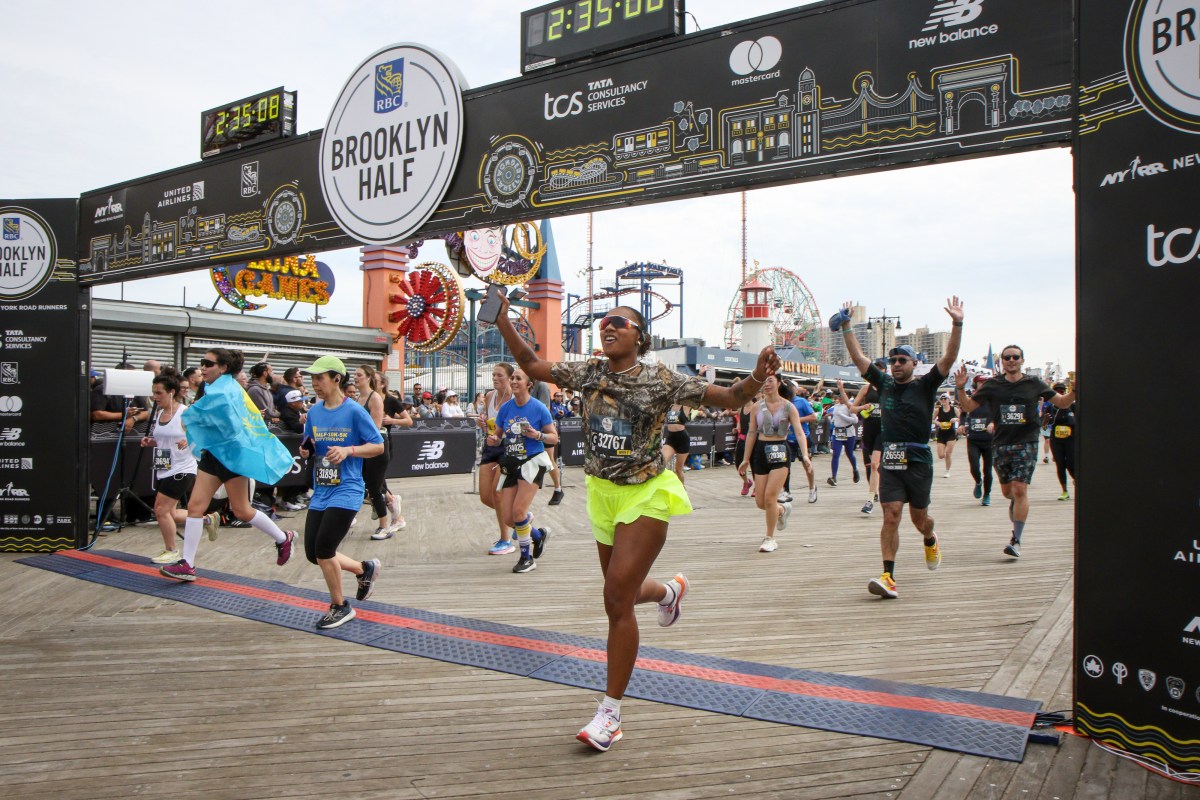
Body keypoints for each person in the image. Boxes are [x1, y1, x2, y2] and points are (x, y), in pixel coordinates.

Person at [493, 296, 781, 752]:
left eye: (618, 324)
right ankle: (668, 592)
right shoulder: (588, 373)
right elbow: (530, 361)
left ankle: (610, 713)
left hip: (647, 493)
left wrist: (757, 377)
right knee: (621, 589)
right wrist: (502, 320)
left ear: (639, 337)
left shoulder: (660, 378)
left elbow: (727, 397)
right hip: (602, 495)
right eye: (604, 323)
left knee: (613, 600)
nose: (607, 328)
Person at [838, 297, 963, 600]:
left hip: (919, 459)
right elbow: (859, 360)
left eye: (901, 360)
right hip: (891, 460)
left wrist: (957, 324)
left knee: (920, 520)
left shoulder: (926, 385)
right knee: (891, 515)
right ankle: (888, 576)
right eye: (892, 360)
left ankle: (931, 539)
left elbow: (947, 359)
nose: (895, 365)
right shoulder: (884, 385)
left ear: (913, 364)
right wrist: (845, 327)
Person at [159, 348, 297, 581]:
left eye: (208, 363)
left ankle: (284, 538)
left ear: (223, 368)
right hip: (214, 454)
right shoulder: (213, 388)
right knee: (195, 507)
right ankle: (188, 564)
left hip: (233, 457)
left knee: (242, 510)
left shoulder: (228, 391)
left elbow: (228, 423)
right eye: (202, 362)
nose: (202, 367)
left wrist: (194, 418)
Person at [955, 350, 1077, 557]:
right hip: (1001, 443)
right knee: (1007, 492)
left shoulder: (1034, 383)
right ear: (1002, 362)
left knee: (1020, 489)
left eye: (1015, 357)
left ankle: (1016, 540)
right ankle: (1014, 502)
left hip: (1027, 441)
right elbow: (968, 406)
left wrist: (1074, 390)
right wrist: (960, 387)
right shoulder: (993, 385)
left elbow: (1063, 402)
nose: (1011, 360)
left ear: (1022, 361)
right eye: (1007, 357)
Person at [297, 356, 385, 629]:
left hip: (347, 488)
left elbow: (378, 446)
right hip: (322, 488)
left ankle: (340, 606)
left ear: (337, 379)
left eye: (320, 378)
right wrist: (306, 449)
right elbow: (310, 442)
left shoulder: (355, 411)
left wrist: (349, 450)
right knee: (314, 553)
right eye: (312, 379)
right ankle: (363, 569)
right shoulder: (314, 412)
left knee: (325, 549)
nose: (315, 384)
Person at [138, 369, 216, 564]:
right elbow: (165, 440)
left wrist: (190, 441)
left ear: (171, 392)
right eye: (153, 393)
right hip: (164, 466)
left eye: (159, 393)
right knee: (170, 513)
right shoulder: (160, 414)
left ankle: (171, 550)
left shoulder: (185, 413)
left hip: (183, 469)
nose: (154, 397)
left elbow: (205, 435)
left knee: (160, 509)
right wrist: (151, 442)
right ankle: (206, 520)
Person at [488, 368, 556, 573]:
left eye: (519, 378)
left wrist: (537, 435)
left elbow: (553, 437)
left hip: (532, 462)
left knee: (518, 512)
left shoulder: (538, 408)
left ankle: (526, 558)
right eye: (513, 378)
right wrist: (492, 438)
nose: (514, 381)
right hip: (511, 463)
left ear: (529, 384)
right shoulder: (506, 409)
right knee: (510, 519)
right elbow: (498, 437)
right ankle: (538, 535)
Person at [739, 375, 802, 553]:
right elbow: (751, 432)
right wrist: (745, 459)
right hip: (760, 451)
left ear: (779, 383)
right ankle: (782, 510)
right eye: (763, 381)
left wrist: (805, 455)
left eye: (770, 381)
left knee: (769, 498)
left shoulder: (789, 407)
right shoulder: (756, 407)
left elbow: (799, 432)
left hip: (780, 450)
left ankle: (769, 538)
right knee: (760, 502)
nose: (766, 385)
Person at [353, 365, 402, 540]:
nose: (355, 377)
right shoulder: (359, 398)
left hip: (376, 447)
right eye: (355, 375)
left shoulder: (374, 398)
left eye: (359, 375)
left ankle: (384, 525)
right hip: (364, 447)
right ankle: (393, 509)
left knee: (375, 488)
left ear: (368, 378)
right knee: (372, 486)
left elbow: (375, 426)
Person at [477, 363, 516, 555]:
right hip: (491, 445)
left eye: (499, 375)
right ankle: (518, 520)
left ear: (510, 377)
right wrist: (483, 423)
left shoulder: (515, 399)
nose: (495, 378)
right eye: (493, 375)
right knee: (486, 496)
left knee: (497, 492)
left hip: (508, 447)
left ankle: (505, 539)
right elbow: (489, 422)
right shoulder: (490, 396)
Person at [846, 360, 886, 514]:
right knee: (872, 466)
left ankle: (870, 500)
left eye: (881, 370)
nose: (878, 372)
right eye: (876, 370)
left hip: (883, 430)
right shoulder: (865, 388)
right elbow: (851, 408)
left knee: (875, 464)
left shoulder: (888, 388)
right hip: (869, 430)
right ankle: (877, 490)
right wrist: (863, 407)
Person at [377, 371, 411, 532]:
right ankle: (391, 501)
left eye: (374, 380)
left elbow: (408, 420)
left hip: (384, 442)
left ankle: (392, 505)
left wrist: (392, 420)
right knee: (374, 480)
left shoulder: (391, 400)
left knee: (376, 479)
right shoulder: (368, 399)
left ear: (383, 384)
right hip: (367, 443)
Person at [783, 383, 819, 504]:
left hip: (803, 437)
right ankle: (786, 491)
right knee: (785, 466)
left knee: (807, 465)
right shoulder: (782, 402)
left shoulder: (801, 401)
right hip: (787, 438)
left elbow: (814, 417)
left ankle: (812, 488)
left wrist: (795, 420)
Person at [827, 382, 861, 487]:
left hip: (848, 432)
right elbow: (834, 417)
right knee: (836, 453)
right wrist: (833, 420)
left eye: (841, 396)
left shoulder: (849, 406)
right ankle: (834, 476)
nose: (840, 398)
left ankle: (855, 469)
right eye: (838, 397)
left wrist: (842, 416)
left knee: (849, 453)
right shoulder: (836, 406)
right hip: (838, 432)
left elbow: (855, 420)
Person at [1047, 382, 1076, 500]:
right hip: (1056, 439)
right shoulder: (1051, 407)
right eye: (1057, 391)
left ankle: (1076, 480)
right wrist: (1045, 420)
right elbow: (1044, 425)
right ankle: (1064, 490)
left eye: (1062, 390)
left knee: (1071, 464)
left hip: (1071, 438)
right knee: (1060, 464)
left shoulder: (1073, 405)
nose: (1060, 392)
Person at [662, 404, 691, 484]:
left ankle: (682, 489)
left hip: (682, 439)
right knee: (661, 464)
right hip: (671, 438)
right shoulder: (669, 406)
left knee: (678, 470)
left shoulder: (685, 406)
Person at [734, 396, 755, 497]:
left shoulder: (756, 407)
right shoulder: (740, 408)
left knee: (754, 464)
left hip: (754, 438)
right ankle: (746, 482)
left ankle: (757, 486)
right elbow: (739, 422)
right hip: (742, 439)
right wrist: (737, 428)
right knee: (738, 463)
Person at [934, 393, 959, 478]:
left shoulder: (954, 409)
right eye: (942, 399)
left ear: (949, 400)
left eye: (945, 399)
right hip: (941, 434)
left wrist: (955, 419)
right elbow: (931, 419)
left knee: (948, 453)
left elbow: (961, 418)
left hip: (951, 434)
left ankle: (947, 471)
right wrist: (937, 422)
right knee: (941, 455)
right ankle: (947, 460)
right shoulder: (938, 410)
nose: (943, 400)